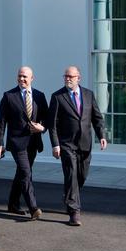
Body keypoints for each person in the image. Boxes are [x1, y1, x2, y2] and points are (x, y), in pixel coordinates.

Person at [48, 66, 108, 226]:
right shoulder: (57, 97)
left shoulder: (88, 95)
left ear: (78, 78)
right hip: (67, 144)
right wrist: (55, 145)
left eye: (71, 76)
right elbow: (52, 124)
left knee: (81, 176)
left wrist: (102, 135)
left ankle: (69, 196)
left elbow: (97, 117)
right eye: (65, 76)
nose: (68, 79)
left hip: (85, 143)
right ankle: (74, 212)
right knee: (72, 174)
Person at [0, 66, 49, 220]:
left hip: (33, 142)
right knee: (26, 172)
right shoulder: (9, 96)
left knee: (21, 173)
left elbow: (46, 117)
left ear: (32, 78)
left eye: (25, 76)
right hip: (17, 142)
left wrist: (42, 127)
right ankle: (33, 208)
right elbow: (1, 122)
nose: (22, 79)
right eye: (20, 76)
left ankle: (13, 203)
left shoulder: (39, 96)